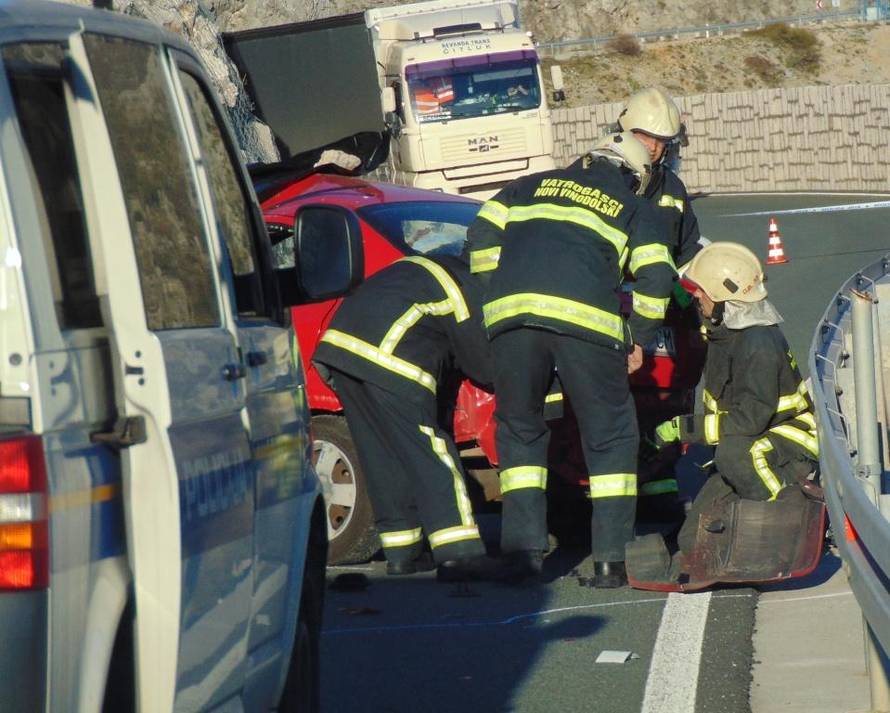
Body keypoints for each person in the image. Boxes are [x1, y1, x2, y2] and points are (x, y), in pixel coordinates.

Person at [464, 131, 675, 588]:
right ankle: (610, 561)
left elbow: (479, 237)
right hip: (589, 324)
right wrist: (638, 339)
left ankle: (522, 556)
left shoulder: (527, 185)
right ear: (633, 175)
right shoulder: (631, 204)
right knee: (611, 434)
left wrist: (496, 293)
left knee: (520, 431)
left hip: (512, 320)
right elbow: (657, 277)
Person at [312, 254, 498, 582]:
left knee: (382, 456)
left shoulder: (424, 267)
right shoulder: (467, 286)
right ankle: (459, 552)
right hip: (389, 359)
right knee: (430, 450)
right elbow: (483, 363)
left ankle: (403, 553)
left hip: (340, 353)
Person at [651, 242, 819, 556]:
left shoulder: (757, 343)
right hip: (761, 436)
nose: (695, 296)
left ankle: (786, 526)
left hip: (790, 441)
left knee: (734, 454)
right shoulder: (726, 331)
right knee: (692, 542)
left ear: (722, 296)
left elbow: (749, 420)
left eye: (700, 291)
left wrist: (684, 428)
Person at [616, 86, 702, 272]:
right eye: (645, 137)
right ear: (626, 132)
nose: (653, 147)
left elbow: (687, 249)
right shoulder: (605, 177)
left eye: (661, 140)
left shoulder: (672, 187)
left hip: (660, 290)